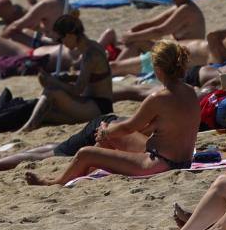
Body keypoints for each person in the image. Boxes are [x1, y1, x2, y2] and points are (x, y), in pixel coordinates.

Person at [25, 39, 200, 184]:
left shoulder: (158, 98)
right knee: (111, 132)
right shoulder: (190, 91)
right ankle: (84, 172)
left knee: (85, 153)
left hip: (159, 164)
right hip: (182, 160)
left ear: (158, 69)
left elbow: (129, 127)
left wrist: (104, 131)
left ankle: (56, 182)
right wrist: (109, 131)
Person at [19, 14, 113, 133]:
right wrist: (66, 77)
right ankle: (29, 124)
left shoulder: (91, 55)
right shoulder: (92, 46)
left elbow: (78, 90)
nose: (62, 43)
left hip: (98, 107)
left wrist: (55, 81)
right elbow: (94, 77)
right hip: (94, 104)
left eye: (60, 39)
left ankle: (28, 127)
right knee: (46, 114)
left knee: (50, 91)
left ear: (69, 35)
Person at [0, 0, 75, 73]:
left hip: (46, 49)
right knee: (13, 36)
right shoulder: (61, 0)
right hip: (52, 46)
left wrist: (1, 38)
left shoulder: (46, 3)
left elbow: (16, 26)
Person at [113, 0, 206, 61]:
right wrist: (132, 31)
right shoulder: (177, 7)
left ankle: (113, 68)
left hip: (187, 56)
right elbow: (151, 23)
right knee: (136, 40)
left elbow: (160, 31)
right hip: (177, 51)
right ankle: (115, 67)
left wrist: (132, 37)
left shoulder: (187, 9)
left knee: (138, 42)